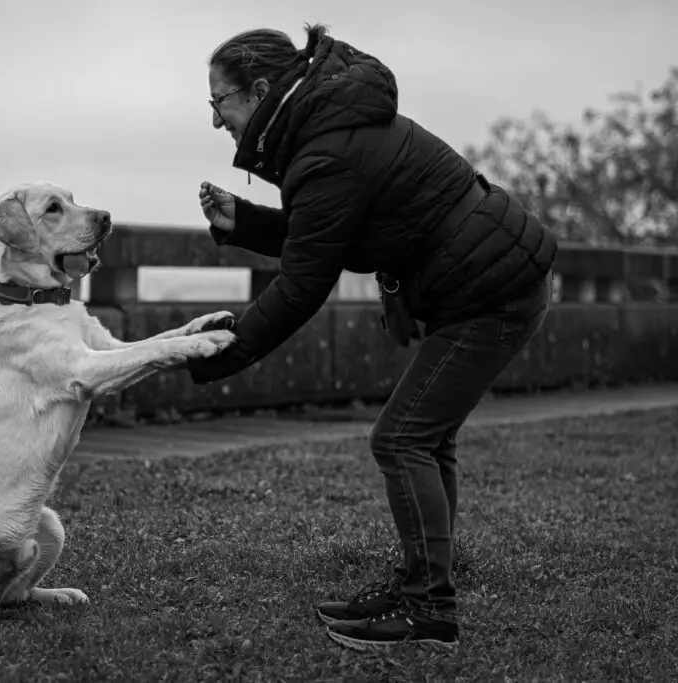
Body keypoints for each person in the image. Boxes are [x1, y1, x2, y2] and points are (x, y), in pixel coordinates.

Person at [186, 23, 558, 652]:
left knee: (402, 437)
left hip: (489, 291)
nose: (216, 120)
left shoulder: (325, 148)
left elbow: (304, 284)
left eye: (217, 103)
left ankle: (428, 610)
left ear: (258, 89)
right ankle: (421, 582)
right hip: (489, 279)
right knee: (426, 439)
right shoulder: (329, 128)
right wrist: (244, 221)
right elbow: (328, 232)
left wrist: (224, 350)